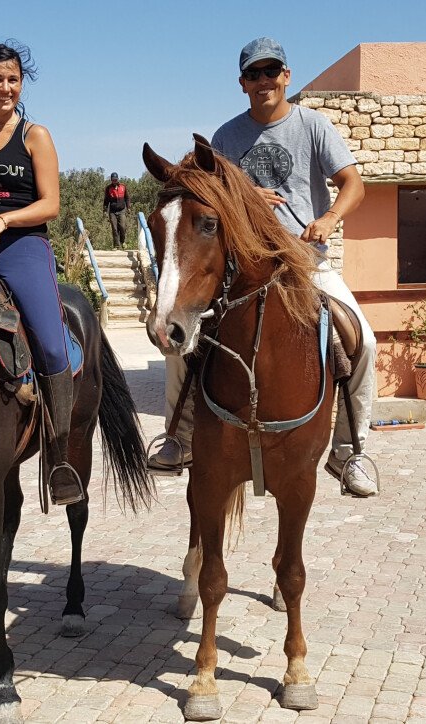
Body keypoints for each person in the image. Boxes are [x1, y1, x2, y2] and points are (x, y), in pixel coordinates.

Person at [147, 36, 381, 498]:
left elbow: (353, 183)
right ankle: (181, 437)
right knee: (179, 337)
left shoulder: (314, 127)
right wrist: (247, 195)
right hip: (243, 270)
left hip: (305, 262)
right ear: (242, 83)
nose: (263, 81)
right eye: (253, 74)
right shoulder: (225, 138)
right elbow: (206, 197)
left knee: (364, 343)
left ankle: (348, 450)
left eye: (271, 72)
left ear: (286, 77)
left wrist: (330, 218)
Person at [0, 42, 83, 506]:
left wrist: (5, 219)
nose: (6, 88)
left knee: (47, 338)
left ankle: (60, 455)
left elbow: (51, 203)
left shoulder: (33, 135)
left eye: (13, 80)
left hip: (22, 245)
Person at [103, 172, 130, 248]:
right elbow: (106, 201)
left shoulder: (123, 187)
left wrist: (128, 208)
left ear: (118, 179)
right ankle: (116, 245)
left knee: (122, 226)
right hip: (112, 211)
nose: (114, 181)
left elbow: (127, 198)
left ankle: (123, 241)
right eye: (113, 180)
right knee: (114, 228)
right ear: (111, 180)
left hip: (122, 210)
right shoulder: (108, 188)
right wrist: (105, 210)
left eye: (115, 180)